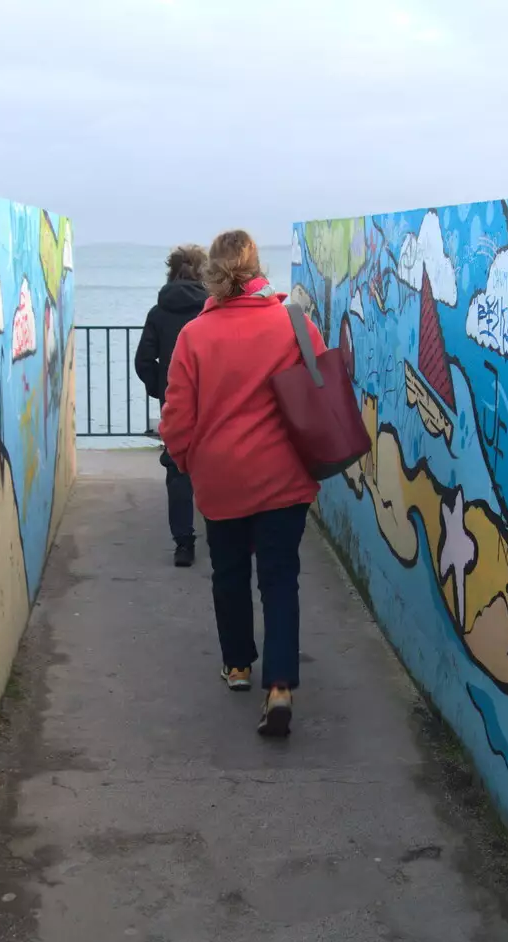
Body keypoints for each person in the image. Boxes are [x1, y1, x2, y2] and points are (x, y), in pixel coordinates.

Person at [159, 230, 321, 737]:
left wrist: (185, 459)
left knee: (228, 572)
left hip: (221, 477)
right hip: (283, 477)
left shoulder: (195, 336)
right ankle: (279, 686)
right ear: (256, 269)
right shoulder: (293, 324)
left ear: (212, 273)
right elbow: (322, 387)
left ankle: (237, 665)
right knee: (279, 577)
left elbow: (177, 417)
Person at [134, 244, 209, 566]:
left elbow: (143, 360)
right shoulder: (212, 308)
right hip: (213, 398)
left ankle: (184, 543)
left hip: (176, 401)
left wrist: (161, 388)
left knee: (178, 467)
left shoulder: (159, 312)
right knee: (217, 464)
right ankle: (226, 533)